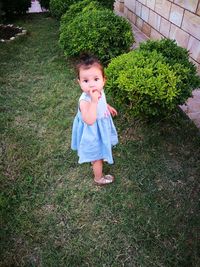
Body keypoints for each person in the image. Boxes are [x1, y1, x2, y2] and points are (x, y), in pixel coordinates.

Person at [71, 54, 118, 186]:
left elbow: (102, 101)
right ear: (79, 82)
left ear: (104, 80)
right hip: (92, 131)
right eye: (86, 81)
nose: (91, 84)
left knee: (100, 150)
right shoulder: (85, 101)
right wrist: (93, 102)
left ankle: (98, 156)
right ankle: (98, 178)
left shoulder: (100, 91)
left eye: (96, 79)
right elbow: (90, 120)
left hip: (101, 126)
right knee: (97, 157)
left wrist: (107, 106)